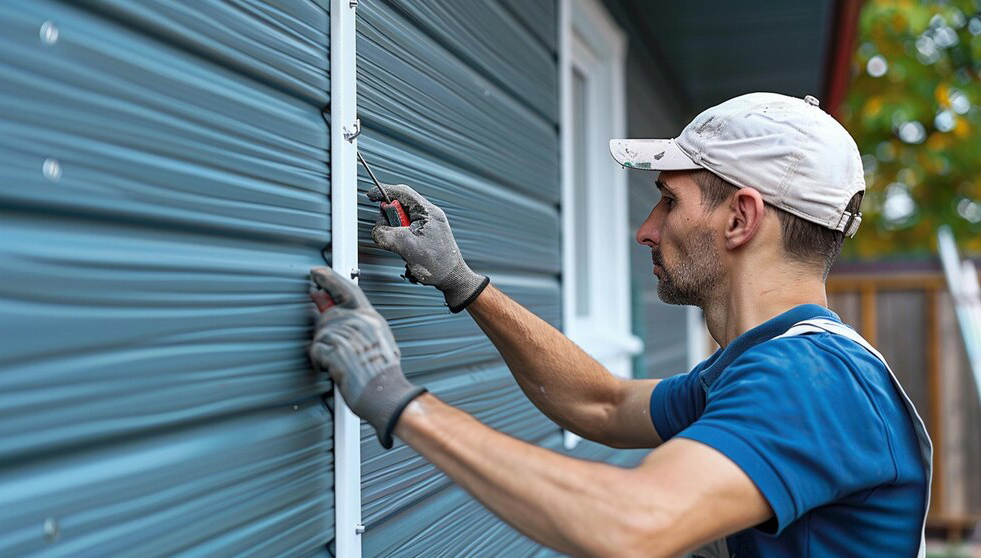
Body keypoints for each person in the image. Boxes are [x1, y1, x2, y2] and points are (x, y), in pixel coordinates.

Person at [308, 92, 931, 557]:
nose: (647, 229)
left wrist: (396, 400)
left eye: (669, 200)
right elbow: (600, 404)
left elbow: (631, 524)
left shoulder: (811, 381)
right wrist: (463, 282)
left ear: (741, 219)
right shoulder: (766, 363)